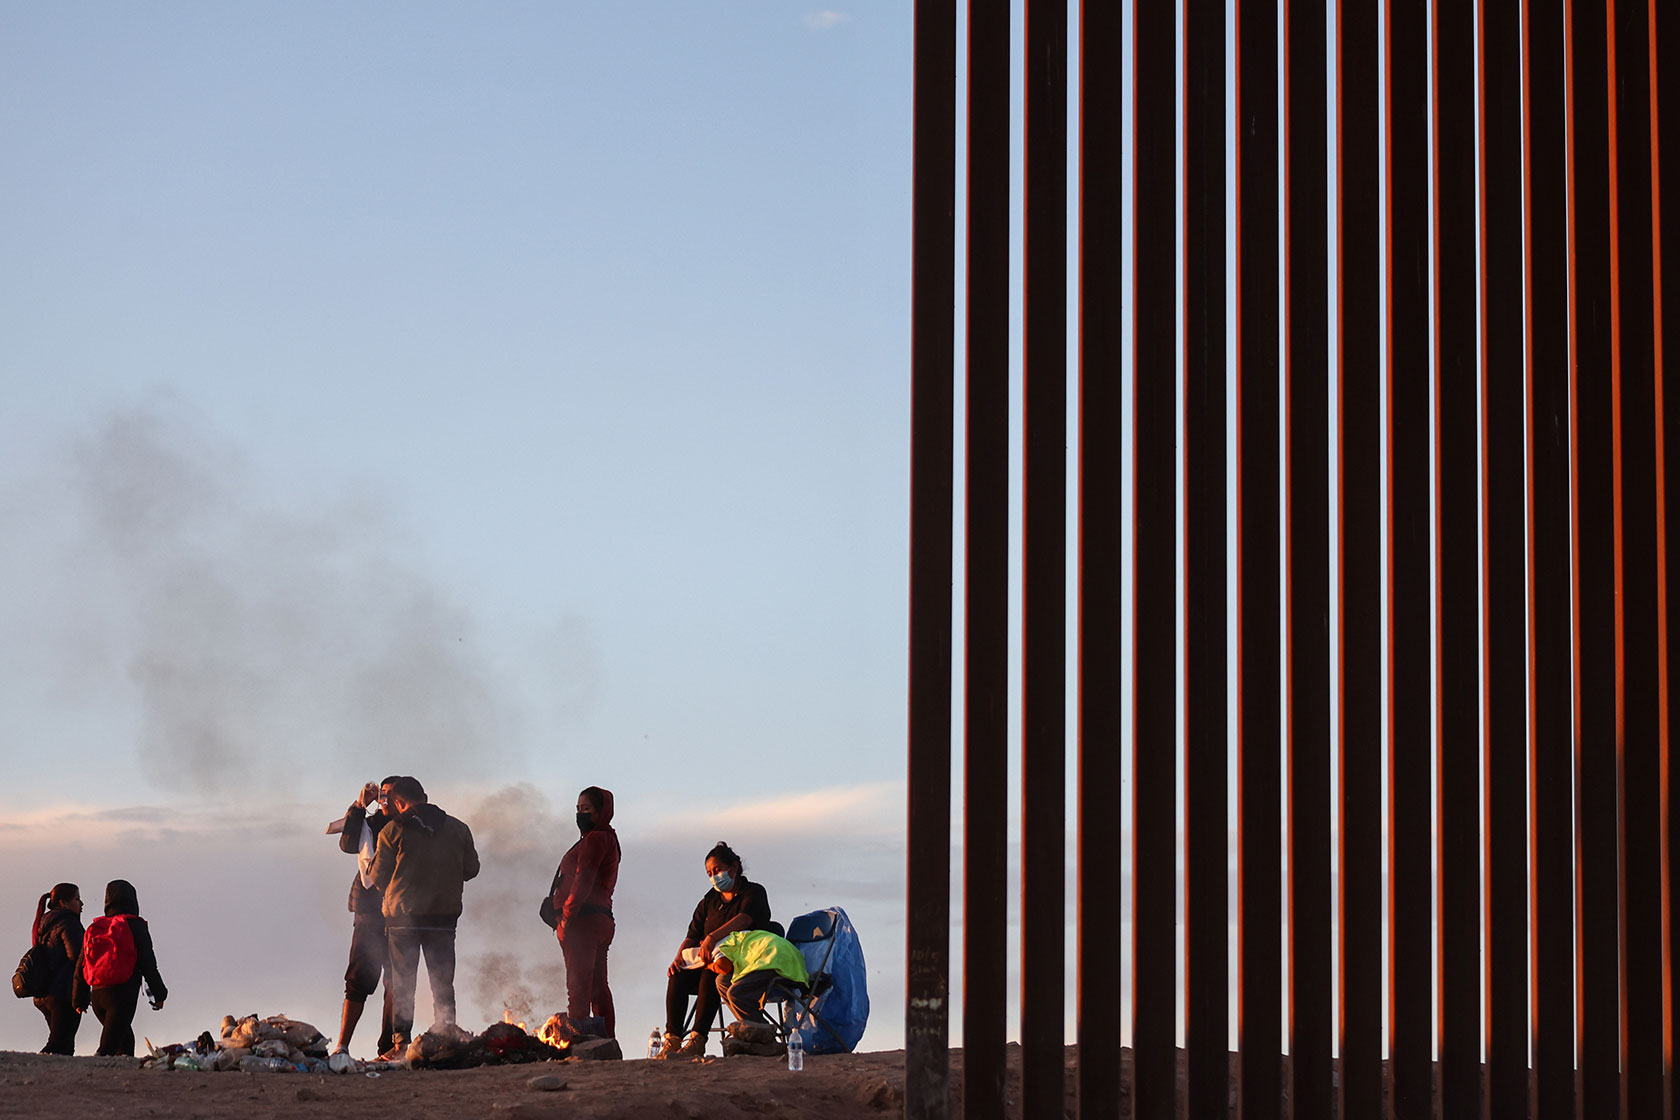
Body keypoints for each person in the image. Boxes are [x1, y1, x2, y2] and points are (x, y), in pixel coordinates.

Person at [370, 775, 479, 1057]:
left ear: (399, 802)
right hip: (443, 918)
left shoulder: (392, 831)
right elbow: (471, 869)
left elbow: (377, 876)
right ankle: (446, 1034)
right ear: (425, 796)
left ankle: (401, 1045)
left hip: (403, 919)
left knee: (403, 983)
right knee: (442, 981)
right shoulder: (458, 828)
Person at [656, 841, 773, 1059]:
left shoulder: (754, 892)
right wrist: (678, 958)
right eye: (710, 873)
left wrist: (712, 938)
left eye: (718, 870)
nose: (714, 877)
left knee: (712, 972)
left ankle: (697, 1040)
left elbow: (745, 919)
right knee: (678, 975)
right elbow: (692, 936)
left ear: (734, 867)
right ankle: (672, 1039)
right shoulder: (709, 901)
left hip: (744, 966)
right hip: (710, 963)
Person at [331, 776, 400, 1056]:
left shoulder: (411, 827)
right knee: (358, 978)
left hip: (400, 911)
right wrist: (360, 806)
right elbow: (347, 843)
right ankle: (342, 1045)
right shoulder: (370, 823)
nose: (385, 801)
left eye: (391, 796)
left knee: (396, 981)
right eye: (382, 796)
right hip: (369, 911)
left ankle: (388, 1047)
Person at [552, 785, 619, 1039]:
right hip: (600, 920)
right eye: (578, 809)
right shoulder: (608, 838)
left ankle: (577, 1038)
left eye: (587, 809)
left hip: (583, 922)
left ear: (601, 812)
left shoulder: (595, 839)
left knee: (578, 986)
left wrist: (566, 918)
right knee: (597, 986)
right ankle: (605, 1040)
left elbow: (583, 880)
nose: (580, 814)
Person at [71, 879, 167, 1058]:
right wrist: (159, 994)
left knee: (124, 1040)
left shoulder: (96, 928)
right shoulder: (135, 925)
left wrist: (79, 999)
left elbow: (81, 966)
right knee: (106, 1050)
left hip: (97, 995)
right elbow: (148, 963)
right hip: (122, 996)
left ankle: (120, 1082)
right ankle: (87, 1082)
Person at [708, 927, 810, 1054]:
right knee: (721, 982)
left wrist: (708, 964)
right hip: (770, 957)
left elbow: (723, 965)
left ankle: (764, 1034)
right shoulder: (737, 938)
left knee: (735, 993)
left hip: (775, 960)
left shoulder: (719, 946)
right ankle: (752, 1028)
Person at [29, 883, 84, 1055]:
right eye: (77, 899)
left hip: (44, 993)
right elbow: (76, 956)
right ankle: (34, 1073)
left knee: (63, 1045)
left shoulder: (44, 922)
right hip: (62, 992)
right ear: (63, 902)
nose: (81, 904)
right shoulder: (68, 922)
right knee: (58, 1043)